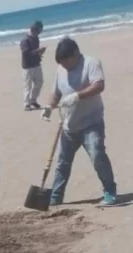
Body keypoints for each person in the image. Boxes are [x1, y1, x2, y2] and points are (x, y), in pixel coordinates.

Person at [41, 37, 117, 206]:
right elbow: (56, 93)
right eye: (61, 63)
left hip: (91, 122)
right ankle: (55, 196)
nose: (64, 66)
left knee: (97, 155)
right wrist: (49, 106)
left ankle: (110, 192)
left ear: (75, 54)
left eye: (66, 62)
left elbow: (99, 85)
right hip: (69, 126)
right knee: (62, 162)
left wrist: (77, 95)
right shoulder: (60, 69)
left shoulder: (91, 63)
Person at [20, 21, 46, 111]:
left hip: (36, 64)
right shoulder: (25, 40)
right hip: (28, 67)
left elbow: (35, 52)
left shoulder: (36, 38)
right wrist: (38, 51)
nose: (39, 33)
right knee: (28, 86)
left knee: (39, 82)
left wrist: (39, 54)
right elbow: (26, 54)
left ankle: (33, 100)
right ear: (34, 30)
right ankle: (26, 104)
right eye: (39, 31)